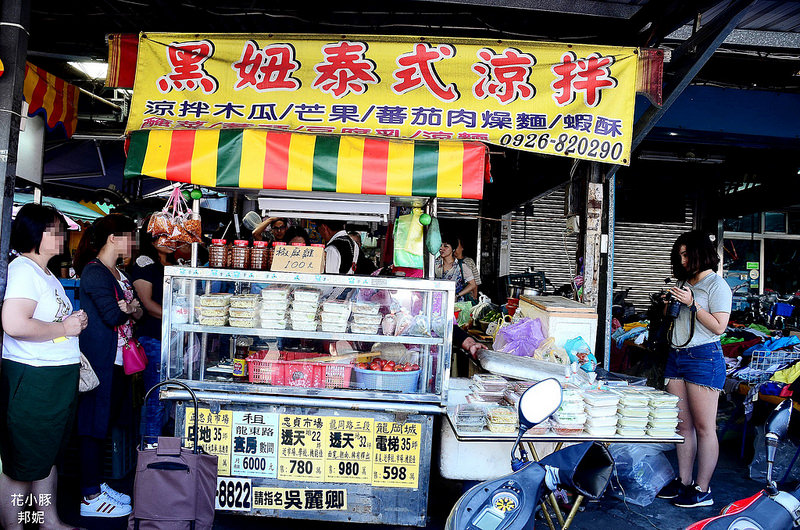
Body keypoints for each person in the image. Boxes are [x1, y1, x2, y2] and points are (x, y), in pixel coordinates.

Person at [0, 204, 88, 530]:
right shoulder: (24, 269)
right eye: (53, 229)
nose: (61, 235)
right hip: (33, 379)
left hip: (52, 379)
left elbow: (50, 320)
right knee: (22, 459)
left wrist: (72, 323)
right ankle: (14, 525)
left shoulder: (45, 272)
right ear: (35, 234)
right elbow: (13, 323)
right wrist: (65, 329)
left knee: (46, 452)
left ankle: (47, 520)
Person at [73, 214, 143, 518]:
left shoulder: (118, 272)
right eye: (130, 236)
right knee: (92, 426)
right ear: (113, 238)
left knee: (104, 424)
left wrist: (129, 308)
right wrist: (128, 309)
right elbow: (114, 315)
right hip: (99, 360)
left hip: (118, 360)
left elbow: (136, 310)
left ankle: (97, 486)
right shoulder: (95, 273)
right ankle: (89, 496)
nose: (134, 242)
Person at [656, 230, 732, 508]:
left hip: (704, 358)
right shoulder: (683, 281)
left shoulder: (717, 285)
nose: (683, 259)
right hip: (677, 355)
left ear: (700, 253)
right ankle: (684, 481)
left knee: (704, 427)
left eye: (687, 254)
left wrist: (692, 304)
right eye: (680, 255)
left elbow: (719, 327)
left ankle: (703, 489)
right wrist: (668, 305)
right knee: (681, 425)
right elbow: (675, 320)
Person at [129, 216, 175, 439]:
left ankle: (163, 448)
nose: (170, 239)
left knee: (168, 399)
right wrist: (177, 317)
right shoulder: (144, 263)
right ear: (151, 237)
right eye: (163, 234)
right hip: (153, 339)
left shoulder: (171, 264)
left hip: (170, 340)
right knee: (156, 400)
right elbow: (146, 304)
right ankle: (151, 453)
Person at [436, 235, 477, 302]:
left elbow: (472, 284)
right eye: (440, 245)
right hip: (437, 302)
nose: (441, 248)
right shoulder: (435, 264)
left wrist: (457, 295)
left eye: (446, 246)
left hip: (456, 305)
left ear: (453, 249)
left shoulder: (461, 266)